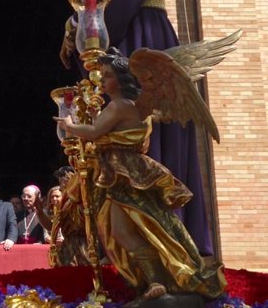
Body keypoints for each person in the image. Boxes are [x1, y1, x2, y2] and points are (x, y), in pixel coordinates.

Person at [59, 0, 211, 255]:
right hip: (131, 37)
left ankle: (165, 252)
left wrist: (82, 25)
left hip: (141, 36)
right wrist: (78, 24)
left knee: (141, 135)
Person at [54, 51, 225, 301]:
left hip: (124, 175)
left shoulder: (119, 105)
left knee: (125, 229)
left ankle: (157, 279)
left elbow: (94, 132)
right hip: (123, 173)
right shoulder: (128, 106)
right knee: (132, 228)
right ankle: (154, 280)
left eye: (108, 76)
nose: (102, 81)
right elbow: (103, 132)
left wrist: (69, 126)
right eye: (102, 75)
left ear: (123, 80)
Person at [51, 166, 89, 266]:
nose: (60, 187)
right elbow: (53, 226)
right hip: (68, 246)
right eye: (60, 183)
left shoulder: (83, 200)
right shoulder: (62, 203)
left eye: (63, 183)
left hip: (83, 246)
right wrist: (39, 211)